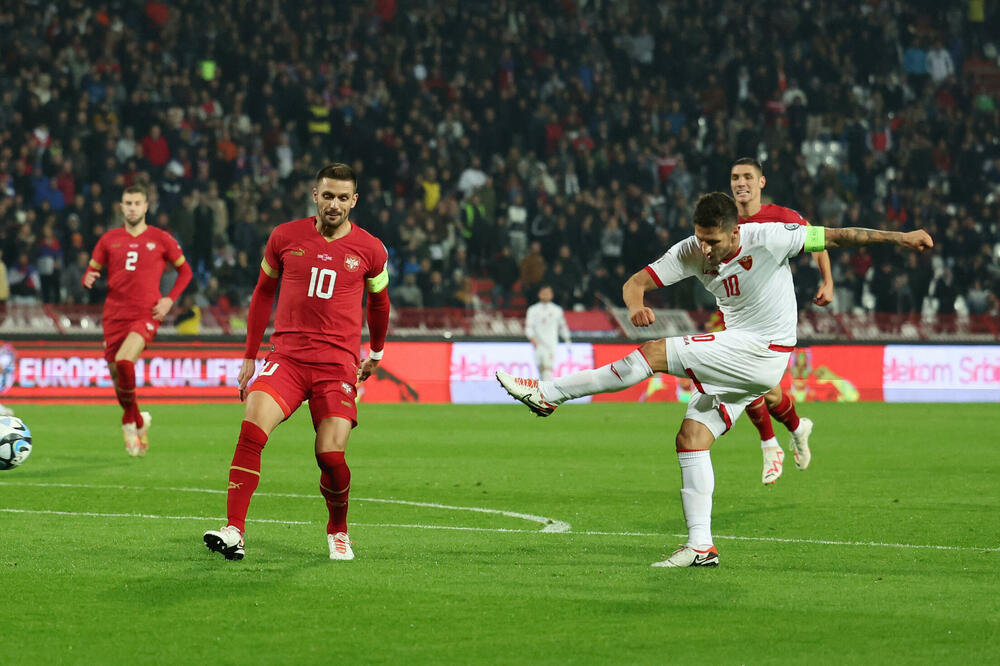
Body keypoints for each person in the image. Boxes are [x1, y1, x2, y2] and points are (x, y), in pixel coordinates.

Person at [497, 192, 932, 567]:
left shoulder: (772, 238)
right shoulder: (691, 249)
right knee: (691, 438)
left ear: (735, 232)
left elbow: (839, 235)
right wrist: (635, 305)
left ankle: (548, 394)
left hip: (766, 351)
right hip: (738, 354)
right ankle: (701, 546)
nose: (705, 249)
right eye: (700, 238)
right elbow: (635, 283)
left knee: (652, 353)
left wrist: (901, 237)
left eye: (713, 241)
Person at [203, 163, 390, 562]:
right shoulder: (285, 236)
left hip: (336, 365)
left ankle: (338, 529)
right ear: (315, 195)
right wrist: (250, 356)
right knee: (252, 427)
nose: (334, 204)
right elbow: (261, 294)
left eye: (343, 197)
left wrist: (376, 352)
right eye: (328, 195)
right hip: (286, 358)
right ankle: (234, 530)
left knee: (330, 455)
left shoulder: (371, 250)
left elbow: (379, 302)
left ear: (354, 201)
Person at [730, 157, 834, 484]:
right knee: (763, 390)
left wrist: (828, 281)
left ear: (761, 183)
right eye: (735, 177)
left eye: (748, 176)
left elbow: (817, 240)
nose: (741, 182)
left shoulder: (780, 217)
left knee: (752, 385)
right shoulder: (723, 218)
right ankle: (796, 428)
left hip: (772, 320)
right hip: (735, 314)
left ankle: (770, 444)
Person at [83, 184, 193, 456]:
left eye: (137, 203)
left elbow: (186, 272)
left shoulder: (161, 238)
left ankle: (128, 423)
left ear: (146, 206)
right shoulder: (109, 239)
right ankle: (140, 420)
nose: (132, 207)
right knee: (116, 374)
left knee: (124, 360)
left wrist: (168, 300)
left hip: (145, 312)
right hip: (113, 315)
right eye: (127, 203)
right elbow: (92, 268)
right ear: (121, 206)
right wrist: (88, 276)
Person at [525, 285, 571, 381]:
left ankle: (546, 394)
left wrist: (567, 340)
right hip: (538, 344)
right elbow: (528, 327)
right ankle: (542, 393)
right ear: (539, 294)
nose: (545, 295)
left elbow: (562, 326)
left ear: (551, 295)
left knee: (547, 371)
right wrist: (532, 338)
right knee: (541, 371)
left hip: (550, 345)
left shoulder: (557, 310)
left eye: (548, 293)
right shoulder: (532, 310)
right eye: (543, 293)